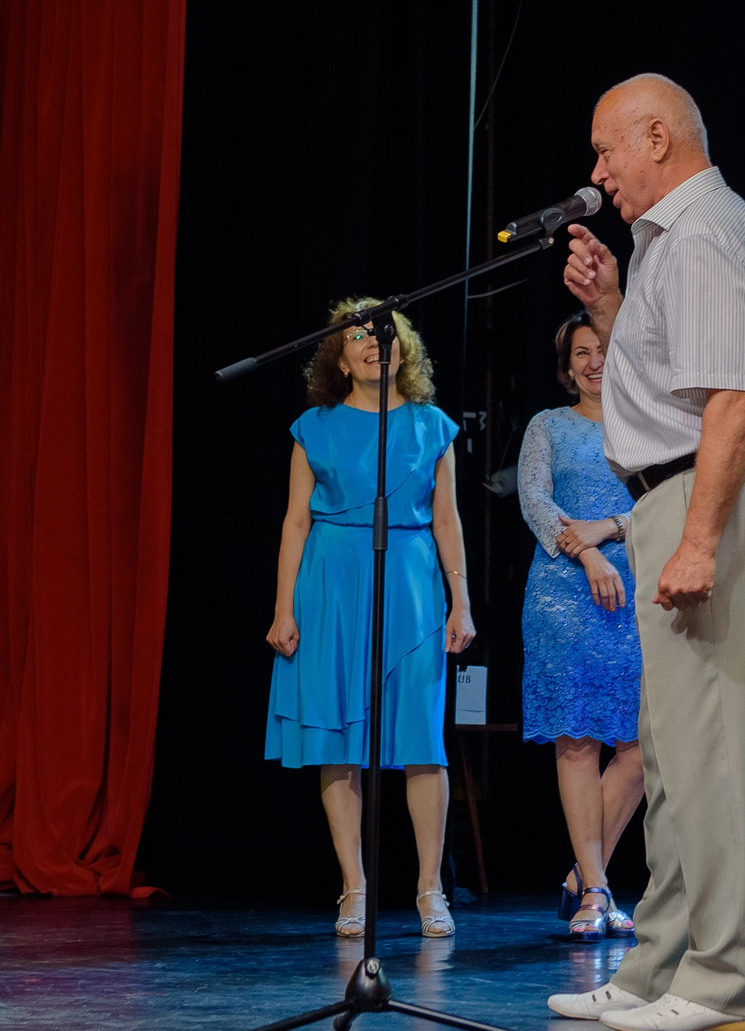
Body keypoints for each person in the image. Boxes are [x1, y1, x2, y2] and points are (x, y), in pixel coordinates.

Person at [542, 73, 745, 1031]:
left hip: (701, 498)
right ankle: (659, 966)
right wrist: (608, 307)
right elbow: (665, 385)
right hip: (667, 494)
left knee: (713, 751)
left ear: (658, 137)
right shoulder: (665, 245)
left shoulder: (708, 233)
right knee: (675, 758)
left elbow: (731, 401)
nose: (596, 172)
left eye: (607, 152)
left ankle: (724, 982)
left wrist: (697, 538)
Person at [264, 299, 476, 941]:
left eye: (383, 334)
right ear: (339, 353)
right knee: (339, 743)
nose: (371, 344)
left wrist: (460, 600)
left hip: (410, 583)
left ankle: (429, 888)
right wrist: (282, 607)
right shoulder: (315, 427)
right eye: (356, 336)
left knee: (421, 742)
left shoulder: (432, 426)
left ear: (403, 350)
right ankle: (353, 889)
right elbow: (296, 520)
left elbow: (447, 520)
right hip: (331, 583)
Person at [517, 310, 643, 940]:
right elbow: (535, 501)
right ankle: (595, 889)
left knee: (644, 745)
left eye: (605, 348)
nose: (595, 361)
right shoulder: (548, 426)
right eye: (583, 353)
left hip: (641, 593)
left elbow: (664, 500)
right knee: (577, 740)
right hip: (563, 594)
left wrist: (613, 530)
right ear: (568, 368)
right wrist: (588, 550)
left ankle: (581, 875)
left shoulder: (648, 425)